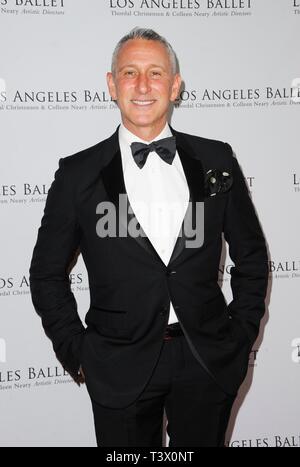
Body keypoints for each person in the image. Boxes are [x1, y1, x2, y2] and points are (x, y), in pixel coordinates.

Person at [29, 27, 269, 447]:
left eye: (155, 73)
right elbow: (46, 273)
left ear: (175, 85)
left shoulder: (216, 158)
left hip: (205, 360)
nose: (142, 86)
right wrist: (79, 351)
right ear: (111, 84)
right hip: (116, 364)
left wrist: (240, 334)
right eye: (129, 73)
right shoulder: (77, 175)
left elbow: (251, 258)